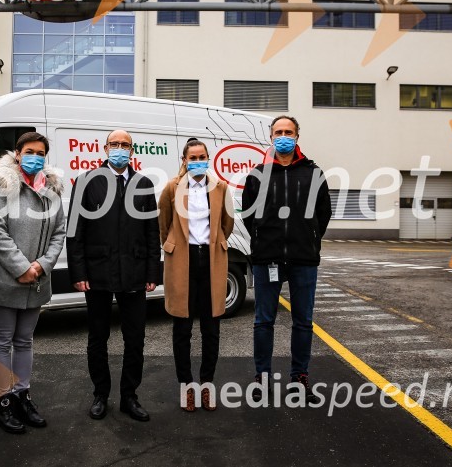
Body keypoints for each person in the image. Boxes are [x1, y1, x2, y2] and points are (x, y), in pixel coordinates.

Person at [66, 129, 160, 422]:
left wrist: (152, 271)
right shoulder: (87, 182)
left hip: (133, 273)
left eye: (125, 145)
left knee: (136, 339)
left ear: (133, 151)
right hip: (98, 274)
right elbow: (75, 231)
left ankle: (129, 396)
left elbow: (151, 232)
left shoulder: (143, 184)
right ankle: (100, 395)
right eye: (115, 144)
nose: (120, 149)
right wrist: (78, 271)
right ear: (105, 148)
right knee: (98, 338)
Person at [241, 115, 332, 403]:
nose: (283, 136)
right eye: (278, 132)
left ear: (297, 137)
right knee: (263, 322)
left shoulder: (313, 173)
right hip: (266, 258)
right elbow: (247, 215)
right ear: (271, 137)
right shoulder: (257, 175)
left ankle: (299, 379)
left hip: (304, 259)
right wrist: (262, 239)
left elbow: (323, 213)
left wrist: (310, 238)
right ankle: (262, 378)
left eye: (288, 132)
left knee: (303, 322)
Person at [0, 131, 65, 434]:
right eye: (29, 151)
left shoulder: (52, 190)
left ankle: (22, 395)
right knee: (2, 341)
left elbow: (59, 232)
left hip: (37, 281)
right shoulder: (1, 185)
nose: (35, 157)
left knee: (25, 341)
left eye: (41, 153)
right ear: (17, 153)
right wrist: (21, 267)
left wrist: (42, 266)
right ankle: (3, 403)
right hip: (8, 279)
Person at [158, 139, 234, 412]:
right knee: (183, 328)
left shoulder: (221, 188)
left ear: (208, 158)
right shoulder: (171, 188)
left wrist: (215, 243)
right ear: (185, 159)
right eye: (193, 157)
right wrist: (174, 247)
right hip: (183, 261)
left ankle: (207, 385)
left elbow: (228, 222)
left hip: (211, 260)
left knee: (211, 328)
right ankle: (187, 387)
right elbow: (163, 223)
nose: (198, 160)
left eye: (203, 156)